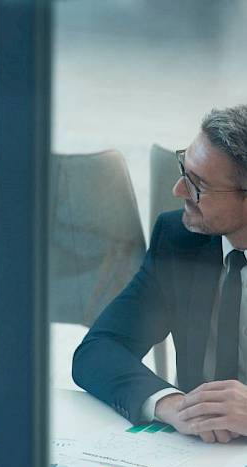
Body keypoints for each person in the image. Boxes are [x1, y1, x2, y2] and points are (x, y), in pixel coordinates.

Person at [73, 104, 247, 444]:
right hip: (199, 457)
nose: (178, 191)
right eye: (185, 170)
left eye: (199, 185)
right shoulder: (179, 240)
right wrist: (173, 404)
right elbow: (98, 350)